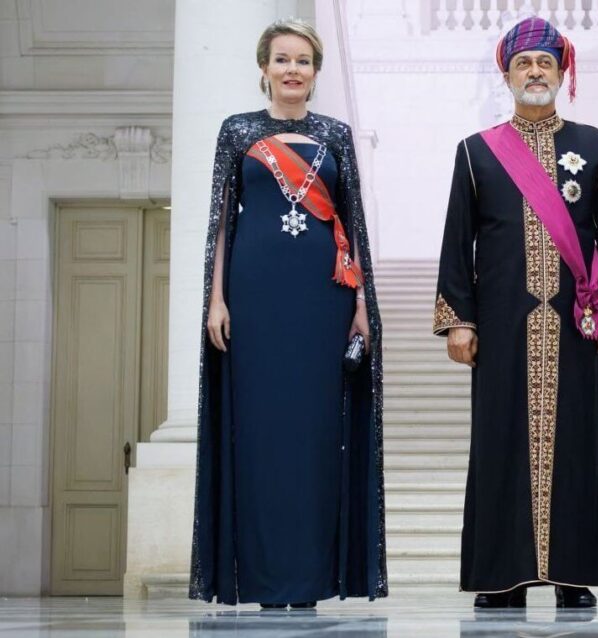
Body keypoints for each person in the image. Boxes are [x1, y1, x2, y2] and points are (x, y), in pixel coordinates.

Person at [433, 16, 598, 610]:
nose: (534, 72)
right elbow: (457, 242)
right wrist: (459, 319)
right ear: (507, 74)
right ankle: (507, 576)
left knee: (578, 442)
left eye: (544, 63)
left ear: (561, 71)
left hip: (575, 326)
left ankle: (574, 573)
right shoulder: (475, 153)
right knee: (499, 444)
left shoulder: (594, 146)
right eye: (523, 64)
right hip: (501, 328)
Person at [190, 18, 387, 608]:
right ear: (264, 68)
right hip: (253, 298)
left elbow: (352, 226)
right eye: (282, 60)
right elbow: (220, 223)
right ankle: (262, 578)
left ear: (316, 72)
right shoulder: (237, 132)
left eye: (303, 61)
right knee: (261, 435)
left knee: (315, 437)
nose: (292, 70)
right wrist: (216, 299)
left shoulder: (336, 135)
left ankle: (311, 580)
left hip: (321, 302)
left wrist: (360, 305)